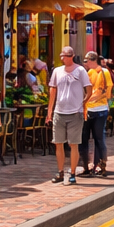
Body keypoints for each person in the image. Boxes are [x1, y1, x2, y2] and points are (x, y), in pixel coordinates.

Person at [47, 48, 91, 183]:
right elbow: (53, 91)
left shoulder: (80, 70)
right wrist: (49, 112)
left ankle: (72, 173)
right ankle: (60, 172)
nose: (63, 58)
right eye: (61, 55)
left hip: (75, 113)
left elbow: (89, 89)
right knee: (58, 143)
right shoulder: (57, 71)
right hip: (59, 112)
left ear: (72, 56)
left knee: (73, 144)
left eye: (65, 56)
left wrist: (83, 103)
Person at [80, 51, 112, 177]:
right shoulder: (89, 73)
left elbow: (107, 91)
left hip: (100, 109)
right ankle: (85, 166)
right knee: (84, 139)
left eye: (86, 61)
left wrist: (93, 99)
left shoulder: (104, 72)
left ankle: (100, 165)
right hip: (88, 109)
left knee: (99, 139)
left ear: (92, 60)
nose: (85, 63)